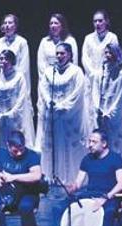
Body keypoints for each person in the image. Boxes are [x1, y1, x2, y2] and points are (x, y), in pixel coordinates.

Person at [44, 129, 122, 226]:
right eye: (89, 141)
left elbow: (121, 183)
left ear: (104, 143)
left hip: (109, 195)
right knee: (59, 208)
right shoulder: (87, 159)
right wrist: (72, 187)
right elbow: (78, 182)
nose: (90, 145)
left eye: (94, 142)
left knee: (109, 212)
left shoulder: (115, 158)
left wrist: (105, 198)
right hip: (90, 194)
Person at [34, 42, 87, 183]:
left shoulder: (76, 71)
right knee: (53, 146)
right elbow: (43, 88)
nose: (59, 56)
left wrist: (63, 106)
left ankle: (71, 178)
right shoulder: (49, 71)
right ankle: (51, 176)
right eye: (57, 53)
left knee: (69, 146)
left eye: (62, 53)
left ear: (69, 55)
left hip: (69, 116)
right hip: (53, 115)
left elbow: (78, 92)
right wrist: (49, 102)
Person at [89, 43, 122, 163]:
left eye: (110, 53)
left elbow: (120, 96)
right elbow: (95, 92)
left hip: (113, 114)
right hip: (101, 113)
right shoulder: (99, 72)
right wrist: (98, 109)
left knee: (115, 142)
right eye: (106, 52)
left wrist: (110, 112)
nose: (107, 55)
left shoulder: (121, 73)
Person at [0, 49, 35, 149]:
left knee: (14, 142)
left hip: (13, 116)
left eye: (6, 59)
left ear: (12, 61)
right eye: (1, 59)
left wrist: (12, 113)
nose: (3, 61)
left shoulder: (19, 76)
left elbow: (22, 97)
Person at [81, 10, 119, 119]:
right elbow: (85, 57)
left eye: (100, 21)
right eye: (95, 21)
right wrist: (92, 73)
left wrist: (103, 74)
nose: (97, 23)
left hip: (107, 77)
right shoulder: (88, 38)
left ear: (106, 22)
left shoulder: (112, 37)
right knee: (90, 107)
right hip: (90, 77)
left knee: (105, 106)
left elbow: (114, 56)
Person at [0, 14, 31, 89]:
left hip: (16, 80)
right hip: (2, 80)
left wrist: (15, 80)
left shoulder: (22, 42)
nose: (7, 25)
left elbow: (24, 66)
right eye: (5, 23)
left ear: (15, 26)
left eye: (10, 23)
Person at [37, 13, 79, 78]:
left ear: (62, 25)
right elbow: (41, 63)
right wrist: (48, 77)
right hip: (48, 77)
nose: (53, 26)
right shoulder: (44, 41)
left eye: (56, 23)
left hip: (66, 77)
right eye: (51, 23)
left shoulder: (70, 41)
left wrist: (67, 77)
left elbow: (74, 61)